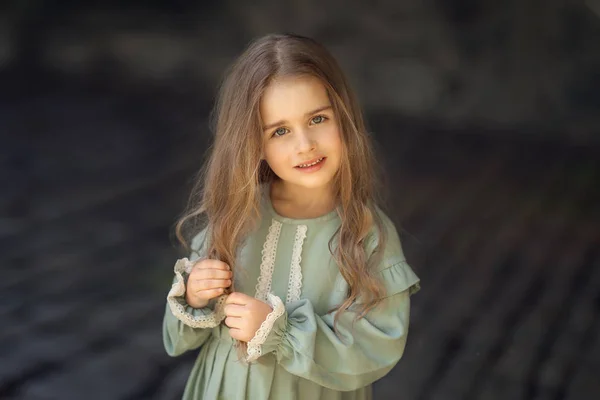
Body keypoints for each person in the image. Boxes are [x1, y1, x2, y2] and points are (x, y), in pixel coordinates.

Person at [162, 33, 421, 400]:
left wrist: (277, 332)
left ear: (343, 117)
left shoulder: (367, 233)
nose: (305, 144)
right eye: (280, 131)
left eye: (317, 119)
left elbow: (379, 345)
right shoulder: (236, 218)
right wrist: (195, 296)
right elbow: (176, 340)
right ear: (253, 143)